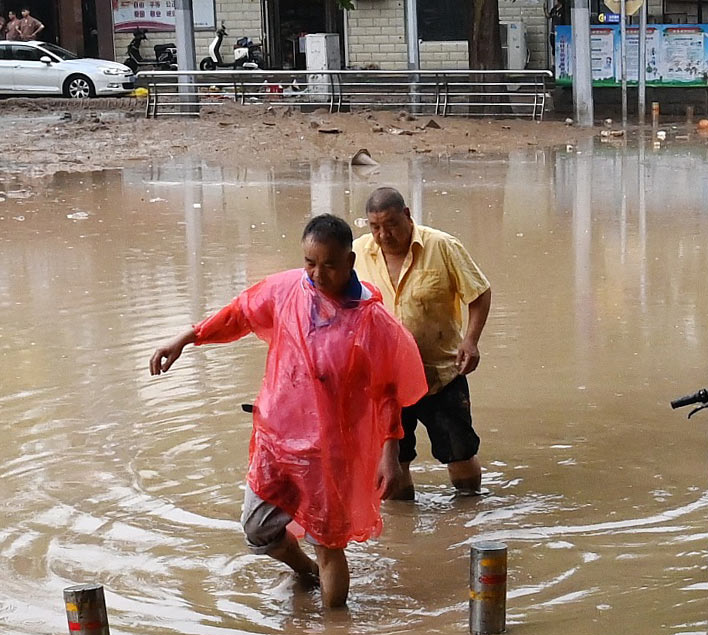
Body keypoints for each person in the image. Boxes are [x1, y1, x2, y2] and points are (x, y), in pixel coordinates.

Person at [149, 215, 427, 609]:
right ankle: (304, 571)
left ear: (350, 261)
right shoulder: (287, 290)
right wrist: (188, 337)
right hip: (277, 439)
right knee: (257, 526)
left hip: (331, 452)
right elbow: (240, 314)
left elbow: (386, 392)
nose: (317, 274)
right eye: (310, 263)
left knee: (329, 546)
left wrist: (389, 452)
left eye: (329, 265)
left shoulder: (371, 321)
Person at [352, 186, 494, 499]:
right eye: (375, 227)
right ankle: (404, 532)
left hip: (440, 375)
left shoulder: (441, 246)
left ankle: (468, 518)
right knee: (395, 461)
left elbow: (480, 293)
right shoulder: (357, 253)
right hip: (387, 383)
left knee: (460, 453)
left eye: (390, 225)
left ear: (407, 216)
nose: (383, 235)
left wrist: (471, 341)